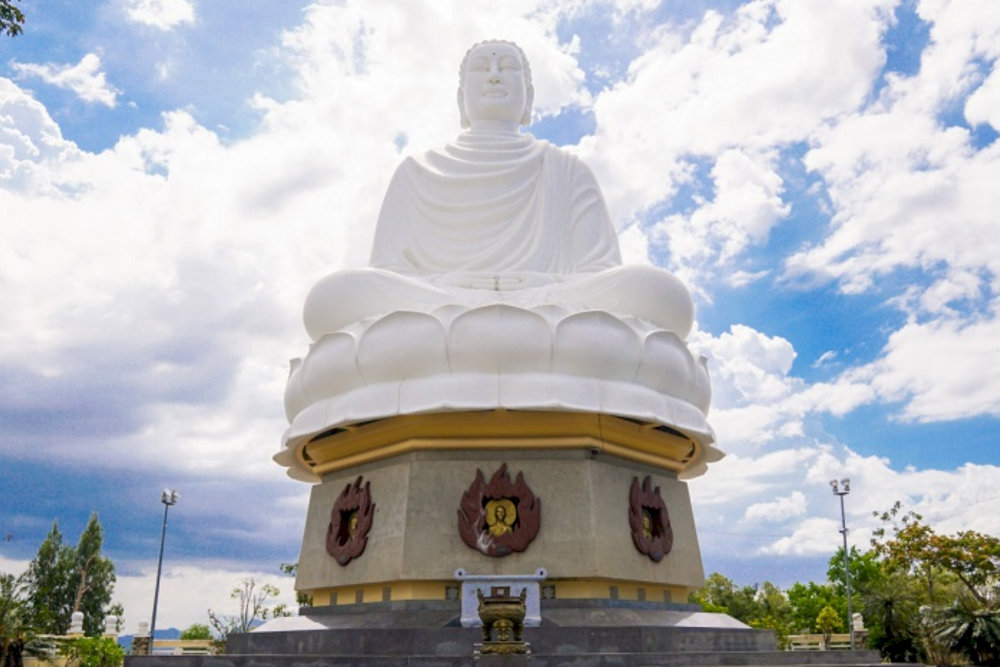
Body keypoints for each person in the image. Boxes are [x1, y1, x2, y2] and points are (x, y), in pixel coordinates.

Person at [303, 40, 694, 341]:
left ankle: (480, 317)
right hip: (448, 301)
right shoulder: (416, 170)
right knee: (331, 298)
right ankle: (485, 314)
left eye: (507, 68)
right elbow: (391, 271)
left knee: (661, 294)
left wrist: (547, 287)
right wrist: (451, 289)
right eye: (482, 68)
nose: (494, 76)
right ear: (462, 98)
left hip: (539, 301)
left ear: (528, 98)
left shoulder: (566, 168)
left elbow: (597, 272)